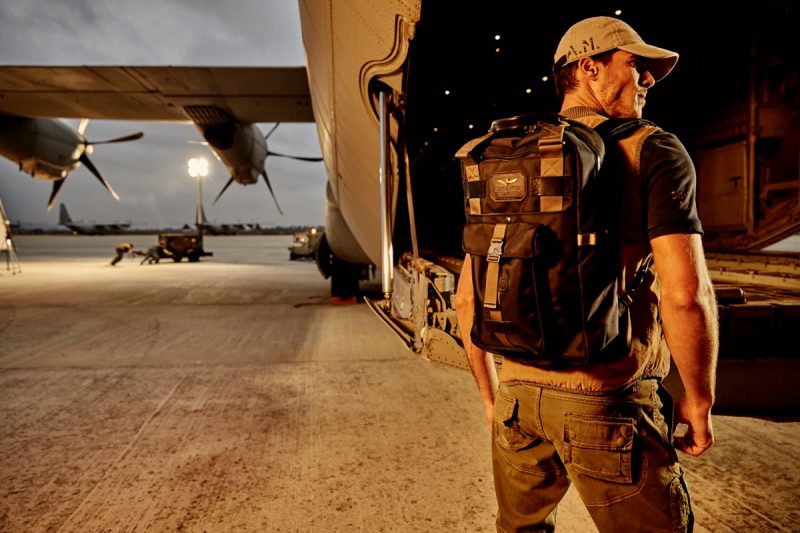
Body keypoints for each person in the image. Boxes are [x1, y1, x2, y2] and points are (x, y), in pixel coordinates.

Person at [455, 16, 719, 533]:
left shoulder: (508, 154)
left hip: (516, 397)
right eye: (636, 65)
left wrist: (491, 397)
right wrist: (699, 398)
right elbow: (686, 294)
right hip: (606, 398)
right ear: (588, 67)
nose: (648, 80)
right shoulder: (653, 149)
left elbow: (469, 297)